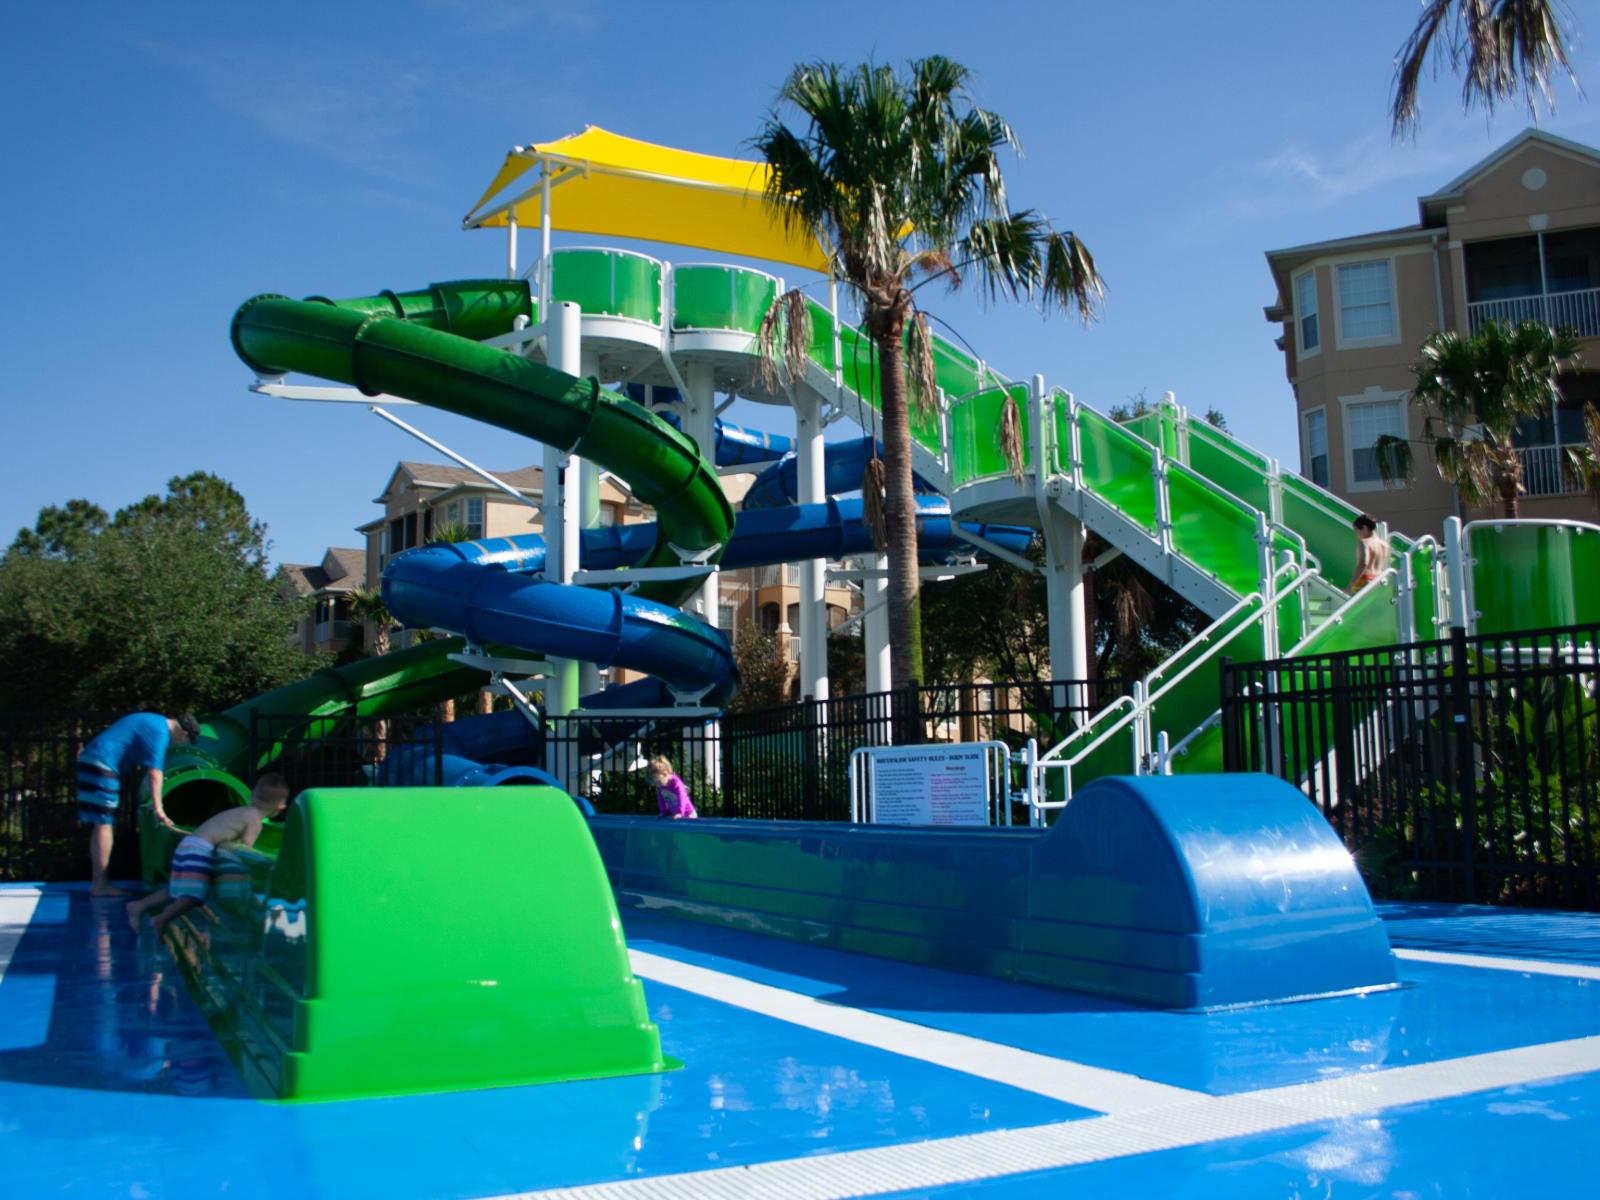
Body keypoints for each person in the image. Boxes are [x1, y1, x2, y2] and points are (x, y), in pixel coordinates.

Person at [126, 772, 291, 935]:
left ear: (253, 793)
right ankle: (161, 919)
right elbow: (244, 850)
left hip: (189, 844)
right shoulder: (254, 821)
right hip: (200, 850)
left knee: (175, 889)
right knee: (194, 896)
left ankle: (138, 906)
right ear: (280, 807)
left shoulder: (242, 811)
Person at [77, 712, 201, 896]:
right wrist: (159, 808)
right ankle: (100, 885)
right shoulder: (160, 733)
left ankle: (98, 882)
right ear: (184, 733)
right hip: (103, 763)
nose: (179, 744)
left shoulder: (154, 721)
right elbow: (155, 773)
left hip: (91, 759)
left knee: (101, 823)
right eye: (185, 741)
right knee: (104, 824)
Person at [1349, 514, 1392, 591]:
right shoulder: (1384, 545)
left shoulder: (1364, 543)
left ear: (1365, 528)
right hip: (1379, 580)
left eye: (1357, 530)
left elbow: (1363, 563)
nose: (1357, 534)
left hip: (1366, 580)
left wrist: (1351, 585)